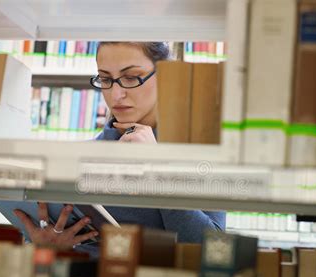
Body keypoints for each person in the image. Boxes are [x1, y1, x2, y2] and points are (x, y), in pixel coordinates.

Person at [14, 42, 226, 254]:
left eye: (131, 78)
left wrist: (159, 168)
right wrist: (44, 246)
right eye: (105, 79)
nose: (116, 95)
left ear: (165, 76)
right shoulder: (79, 157)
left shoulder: (199, 152)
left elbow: (211, 251)